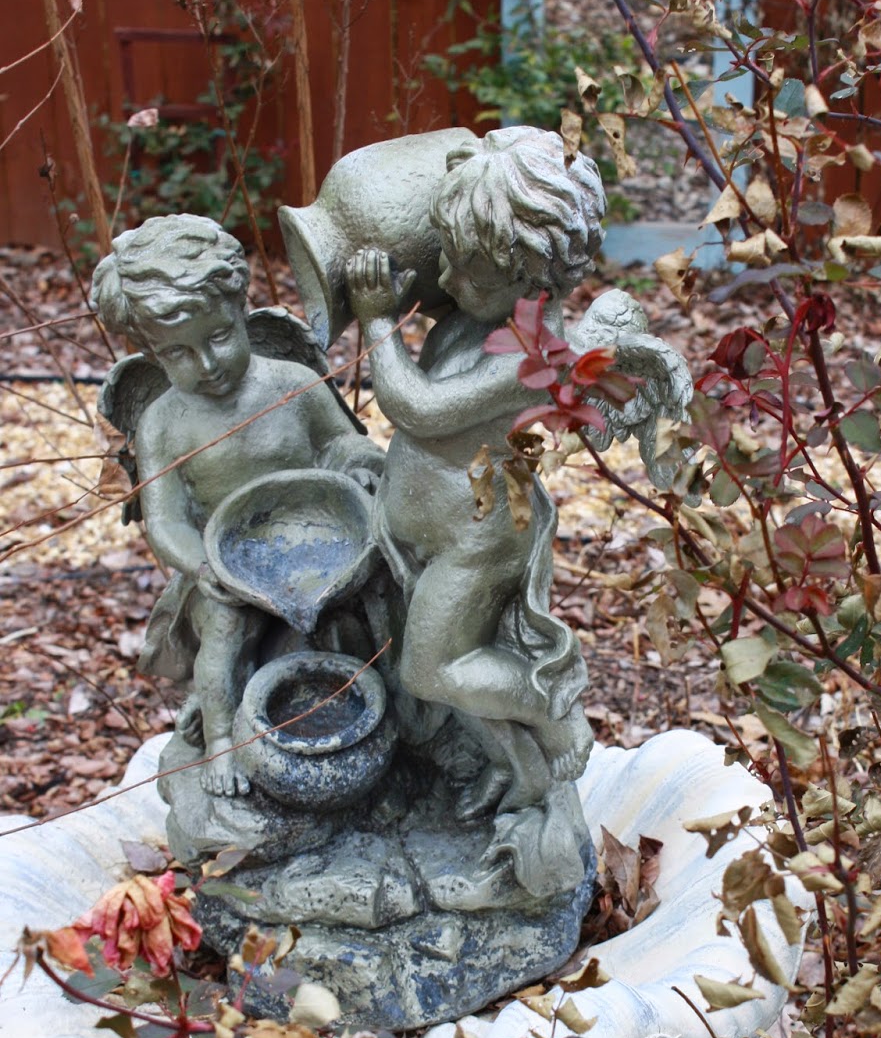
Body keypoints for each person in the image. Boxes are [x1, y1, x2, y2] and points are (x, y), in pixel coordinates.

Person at [345, 127, 607, 819]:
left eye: (471, 272)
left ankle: (553, 711)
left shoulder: (532, 353)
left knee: (434, 669)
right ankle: (517, 769)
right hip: (428, 532)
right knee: (453, 666)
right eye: (448, 258)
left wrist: (378, 324)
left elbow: (421, 409)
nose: (449, 283)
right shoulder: (481, 309)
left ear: (533, 280)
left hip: (477, 543)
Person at [91, 215, 380, 797]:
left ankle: (380, 709)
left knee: (375, 604)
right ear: (151, 353)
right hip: (226, 563)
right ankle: (221, 738)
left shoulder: (290, 383)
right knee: (224, 635)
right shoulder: (164, 423)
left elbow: (343, 442)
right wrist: (201, 567)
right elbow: (166, 518)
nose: (207, 365)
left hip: (319, 542)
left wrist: (358, 464)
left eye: (220, 337)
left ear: (242, 311)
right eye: (178, 353)